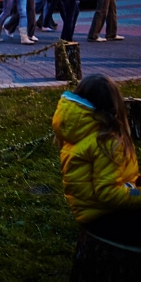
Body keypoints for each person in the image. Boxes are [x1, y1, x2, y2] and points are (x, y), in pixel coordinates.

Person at [52, 74, 141, 245]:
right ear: (114, 107)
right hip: (105, 217)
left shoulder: (78, 131)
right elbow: (108, 194)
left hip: (88, 213)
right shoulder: (105, 141)